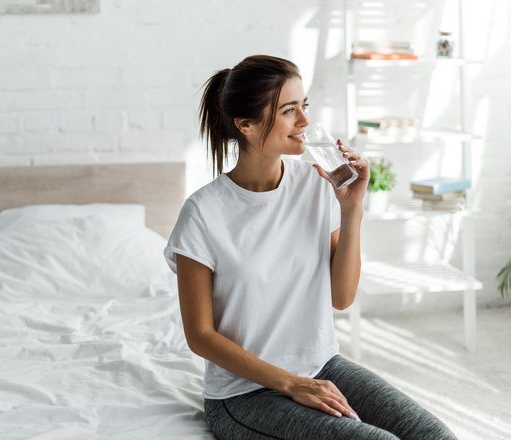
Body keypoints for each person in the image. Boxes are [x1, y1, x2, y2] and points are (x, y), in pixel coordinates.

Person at [163, 55, 457, 440]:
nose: (304, 121)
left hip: (322, 367)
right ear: (246, 125)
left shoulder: (317, 185)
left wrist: (352, 211)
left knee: (436, 436)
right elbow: (200, 335)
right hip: (244, 395)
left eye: (304, 106)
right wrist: (289, 383)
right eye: (289, 110)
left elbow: (341, 296)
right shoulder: (203, 213)